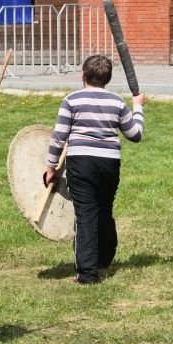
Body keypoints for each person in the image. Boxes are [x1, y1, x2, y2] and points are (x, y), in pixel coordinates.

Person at [44, 55, 145, 285]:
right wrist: (138, 107)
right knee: (104, 210)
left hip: (81, 163)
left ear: (83, 75)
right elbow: (135, 134)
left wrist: (51, 167)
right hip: (109, 163)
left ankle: (88, 273)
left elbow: (58, 137)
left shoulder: (71, 100)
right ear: (107, 79)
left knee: (85, 214)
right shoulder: (118, 102)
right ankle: (104, 259)